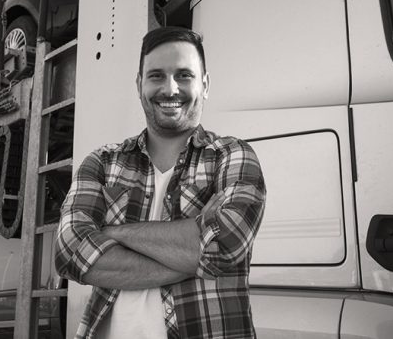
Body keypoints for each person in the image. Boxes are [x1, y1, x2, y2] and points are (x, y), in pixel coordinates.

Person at [55, 26, 266, 339]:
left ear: (204, 85)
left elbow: (223, 245)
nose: (170, 89)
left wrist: (110, 234)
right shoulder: (102, 162)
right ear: (139, 84)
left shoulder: (232, 156)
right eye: (156, 76)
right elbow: (69, 253)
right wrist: (194, 254)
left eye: (184, 75)